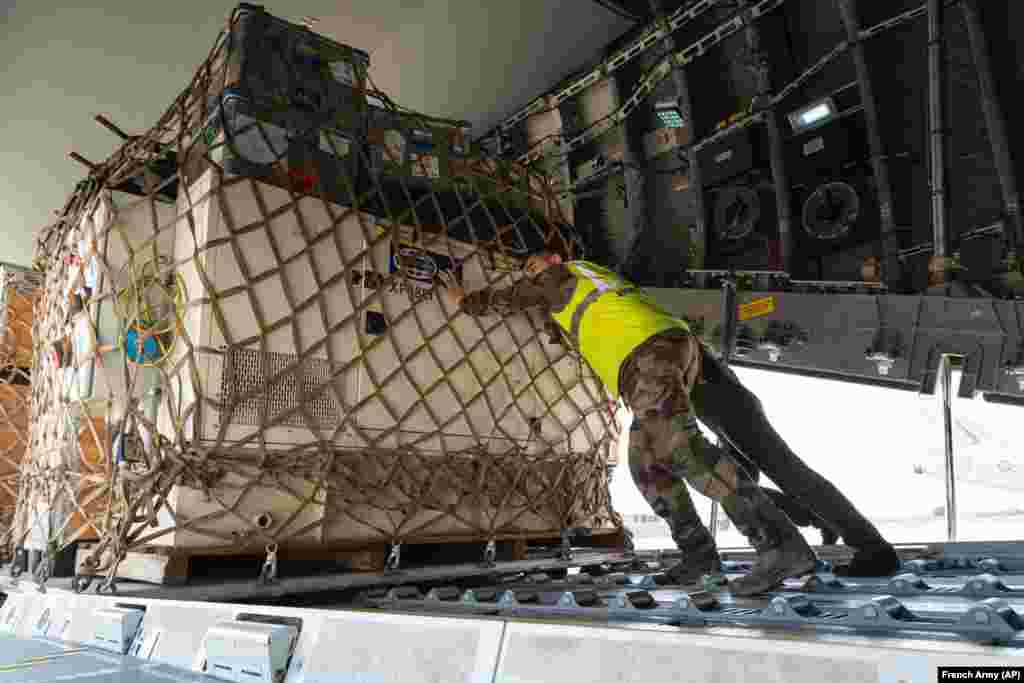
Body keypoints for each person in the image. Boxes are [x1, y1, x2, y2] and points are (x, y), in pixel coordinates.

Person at [437, 250, 901, 590]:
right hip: (687, 371)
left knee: (690, 452)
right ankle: (703, 556)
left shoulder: (561, 275)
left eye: (535, 264)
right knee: (649, 464)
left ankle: (785, 545)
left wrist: (462, 298)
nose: (532, 270)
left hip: (659, 367)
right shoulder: (595, 291)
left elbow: (511, 297)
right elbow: (571, 324)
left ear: (553, 260)